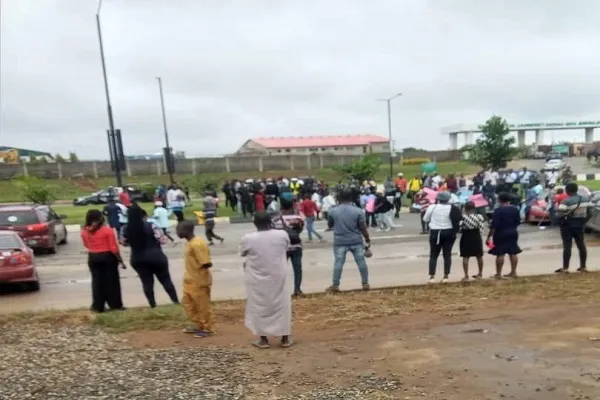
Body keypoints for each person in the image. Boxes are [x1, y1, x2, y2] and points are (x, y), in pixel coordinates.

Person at [240, 212, 293, 349]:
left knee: (258, 305)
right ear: (271, 222)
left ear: (254, 223)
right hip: (278, 275)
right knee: (282, 304)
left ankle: (263, 340)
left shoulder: (248, 238)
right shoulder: (281, 235)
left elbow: (243, 252)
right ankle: (285, 338)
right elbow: (286, 248)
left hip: (257, 277)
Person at [121, 205, 179, 308]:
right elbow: (163, 240)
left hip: (137, 258)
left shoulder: (125, 229)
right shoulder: (151, 225)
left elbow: (124, 243)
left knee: (146, 282)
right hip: (156, 256)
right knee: (165, 279)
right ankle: (175, 301)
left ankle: (152, 304)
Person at [81, 209, 125, 313]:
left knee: (97, 282)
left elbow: (86, 245)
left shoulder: (84, 231)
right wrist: (120, 260)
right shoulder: (107, 230)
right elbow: (113, 248)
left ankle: (98, 306)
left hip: (93, 257)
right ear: (101, 218)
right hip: (107, 257)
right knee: (112, 282)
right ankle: (115, 305)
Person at [326, 189, 371, 292]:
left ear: (339, 198)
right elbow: (363, 228)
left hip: (340, 241)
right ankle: (365, 283)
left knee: (338, 263)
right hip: (356, 240)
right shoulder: (358, 211)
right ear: (351, 198)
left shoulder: (333, 211)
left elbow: (330, 225)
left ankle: (335, 285)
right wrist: (367, 239)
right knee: (361, 262)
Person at [177, 220, 215, 338]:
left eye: (178, 229)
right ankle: (199, 325)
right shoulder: (189, 243)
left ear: (186, 230)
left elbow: (206, 262)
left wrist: (199, 271)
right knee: (188, 304)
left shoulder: (197, 244)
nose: (177, 232)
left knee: (202, 306)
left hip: (199, 280)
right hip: (189, 280)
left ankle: (207, 328)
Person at [423, 191, 462, 283]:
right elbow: (459, 220)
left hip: (435, 232)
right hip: (449, 232)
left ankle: (432, 277)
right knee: (447, 254)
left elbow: (425, 219)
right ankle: (446, 276)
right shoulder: (454, 208)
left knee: (433, 255)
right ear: (449, 199)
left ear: (438, 199)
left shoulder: (432, 207)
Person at [555, 182, 592, 273]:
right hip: (580, 225)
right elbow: (590, 213)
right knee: (581, 245)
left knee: (567, 246)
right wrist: (583, 221)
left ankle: (565, 268)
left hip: (567, 226)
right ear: (576, 189)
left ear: (567, 191)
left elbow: (559, 215)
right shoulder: (586, 199)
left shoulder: (566, 201)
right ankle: (583, 266)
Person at [272, 197, 305, 296]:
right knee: (297, 268)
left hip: (282, 247)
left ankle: (279, 291)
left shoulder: (276, 218)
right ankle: (297, 289)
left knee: (280, 270)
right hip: (296, 246)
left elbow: (273, 231)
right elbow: (300, 230)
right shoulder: (298, 217)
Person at [487, 192, 521, 278]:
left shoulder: (498, 210)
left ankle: (498, 273)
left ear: (499, 200)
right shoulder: (515, 209)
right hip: (513, 232)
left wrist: (489, 237)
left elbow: (494, 225)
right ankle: (513, 272)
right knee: (513, 252)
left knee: (500, 253)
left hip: (501, 233)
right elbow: (518, 221)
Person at [459, 201, 485, 280]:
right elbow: (482, 229)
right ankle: (480, 273)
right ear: (474, 208)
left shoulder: (463, 217)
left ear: (465, 208)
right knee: (479, 256)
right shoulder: (479, 216)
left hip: (466, 237)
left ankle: (466, 275)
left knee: (465, 256)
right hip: (476, 236)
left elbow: (460, 228)